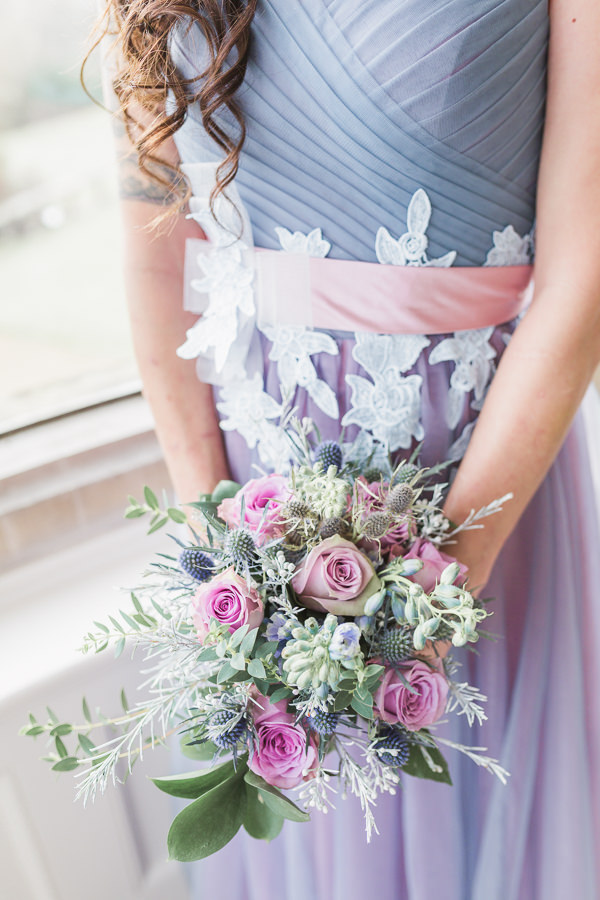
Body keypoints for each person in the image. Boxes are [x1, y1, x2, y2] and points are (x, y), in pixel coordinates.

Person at [97, 1, 600, 897]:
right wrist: (223, 558)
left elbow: (584, 272)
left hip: (479, 488)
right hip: (253, 500)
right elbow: (156, 248)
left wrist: (437, 588)